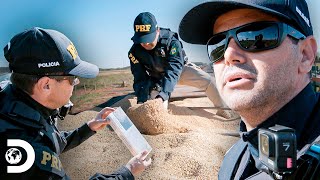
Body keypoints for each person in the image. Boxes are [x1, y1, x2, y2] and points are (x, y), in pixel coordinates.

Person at [179, 0, 319, 179]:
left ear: (305, 55)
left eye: (255, 37)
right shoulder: (233, 157)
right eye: (217, 45)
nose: (228, 55)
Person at [0, 27, 151, 179]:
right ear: (45, 85)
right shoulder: (29, 154)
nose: (76, 83)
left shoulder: (15, 100)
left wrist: (89, 127)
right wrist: (127, 172)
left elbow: (48, 138)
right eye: (72, 78)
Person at [128, 12, 237, 119]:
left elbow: (173, 69)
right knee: (157, 106)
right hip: (156, 78)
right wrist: (142, 100)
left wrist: (164, 94)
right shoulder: (134, 52)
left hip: (179, 71)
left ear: (157, 31)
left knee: (209, 81)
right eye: (142, 39)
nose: (146, 44)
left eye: (149, 39)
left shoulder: (171, 42)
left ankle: (223, 109)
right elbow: (140, 78)